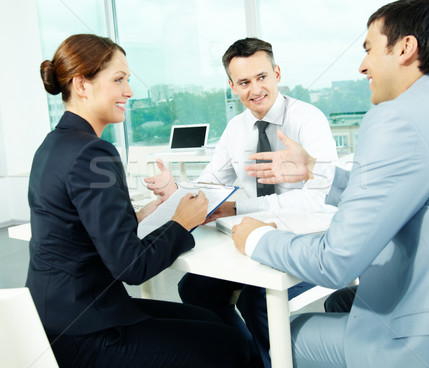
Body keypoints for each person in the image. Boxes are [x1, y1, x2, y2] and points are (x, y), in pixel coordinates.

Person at [233, 0, 429, 367]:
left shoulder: (397, 117)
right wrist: (315, 172)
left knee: (290, 333)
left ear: (405, 48)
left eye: (370, 49)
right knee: (341, 301)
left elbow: (334, 262)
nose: (362, 65)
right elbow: (413, 185)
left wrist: (257, 237)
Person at [26, 34, 255, 368]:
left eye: (128, 80)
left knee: (213, 321)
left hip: (56, 318)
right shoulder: (94, 151)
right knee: (230, 344)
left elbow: (90, 227)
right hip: (86, 331)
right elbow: (132, 267)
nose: (129, 91)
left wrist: (156, 208)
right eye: (118, 80)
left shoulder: (53, 145)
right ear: (82, 85)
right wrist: (182, 221)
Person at [144, 37, 338, 367]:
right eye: (244, 82)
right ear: (232, 86)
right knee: (195, 291)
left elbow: (319, 198)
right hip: (253, 236)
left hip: (308, 238)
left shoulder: (308, 120)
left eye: (262, 77)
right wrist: (175, 188)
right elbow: (210, 183)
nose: (255, 89)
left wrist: (239, 208)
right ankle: (247, 358)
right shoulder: (236, 128)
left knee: (257, 299)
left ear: (277, 73)